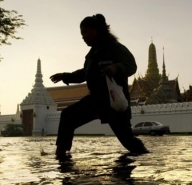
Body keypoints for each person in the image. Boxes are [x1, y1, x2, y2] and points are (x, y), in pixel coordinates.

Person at [50, 13, 148, 158]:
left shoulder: (115, 48)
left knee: (128, 141)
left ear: (95, 30)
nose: (83, 37)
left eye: (84, 32)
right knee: (67, 116)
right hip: (95, 101)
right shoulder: (90, 55)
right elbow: (84, 73)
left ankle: (146, 156)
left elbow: (131, 66)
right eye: (81, 34)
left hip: (114, 103)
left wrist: (116, 68)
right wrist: (65, 76)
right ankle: (61, 155)